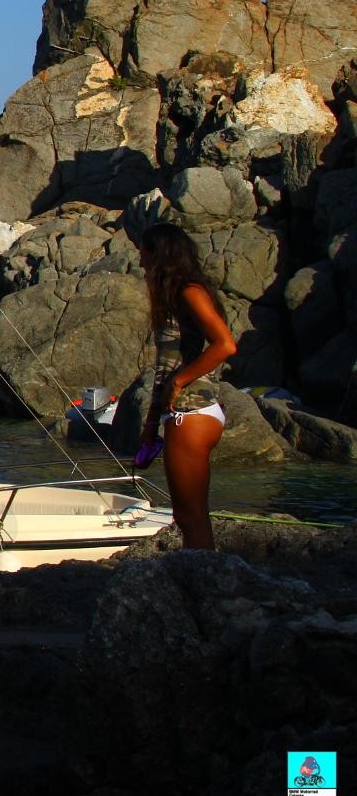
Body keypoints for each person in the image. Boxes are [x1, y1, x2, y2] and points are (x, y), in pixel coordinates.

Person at [138, 223, 236, 550]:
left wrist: (179, 381)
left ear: (160, 254)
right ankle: (204, 583)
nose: (140, 263)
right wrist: (151, 426)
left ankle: (205, 588)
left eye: (145, 254)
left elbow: (225, 345)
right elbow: (164, 368)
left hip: (191, 412)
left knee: (190, 517)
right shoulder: (172, 296)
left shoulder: (189, 291)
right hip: (181, 414)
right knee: (188, 516)